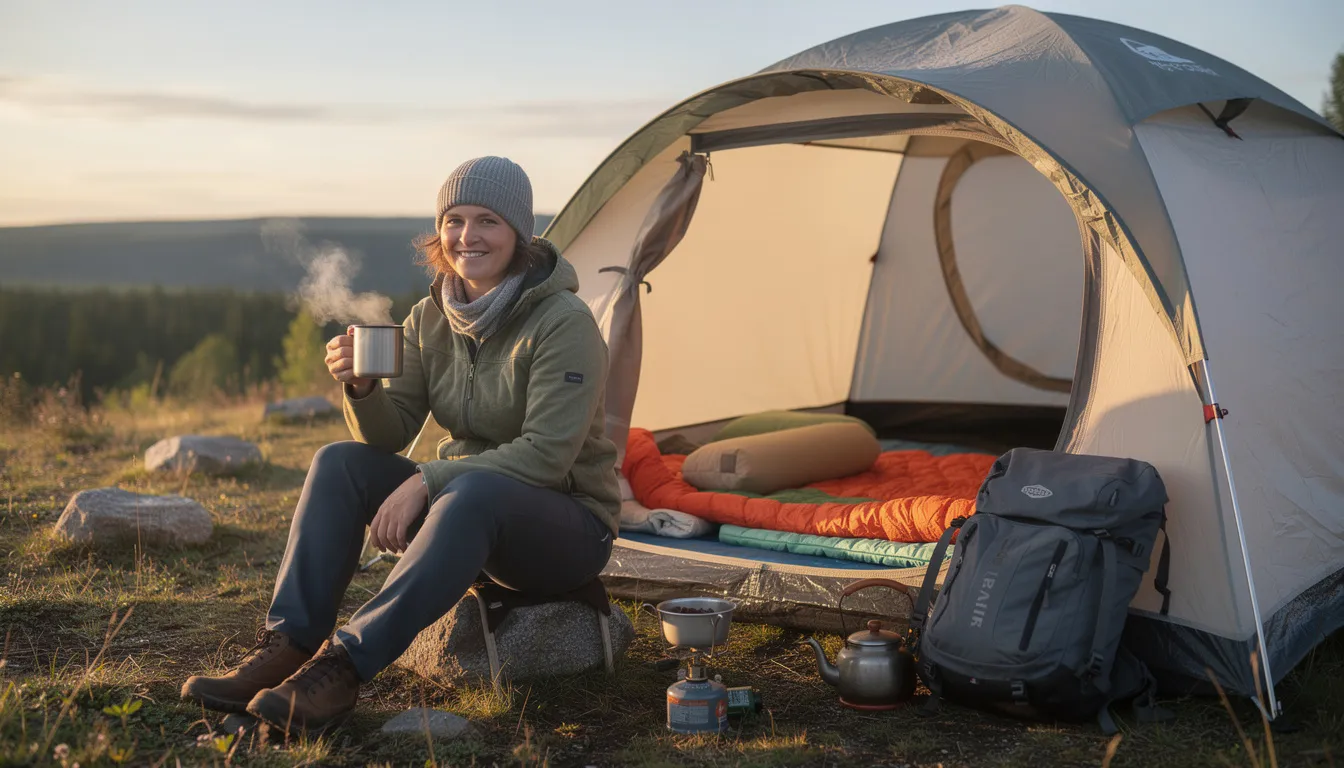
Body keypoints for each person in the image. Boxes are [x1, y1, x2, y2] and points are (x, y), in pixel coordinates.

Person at [180, 156, 621, 733]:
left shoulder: (564, 322)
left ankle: (340, 671)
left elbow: (547, 455)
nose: (468, 236)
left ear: (520, 233)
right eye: (455, 220)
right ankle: (288, 647)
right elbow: (390, 435)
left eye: (487, 220)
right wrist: (362, 389)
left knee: (474, 493)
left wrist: (426, 481)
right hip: (469, 519)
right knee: (340, 462)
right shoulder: (430, 317)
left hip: (565, 529)